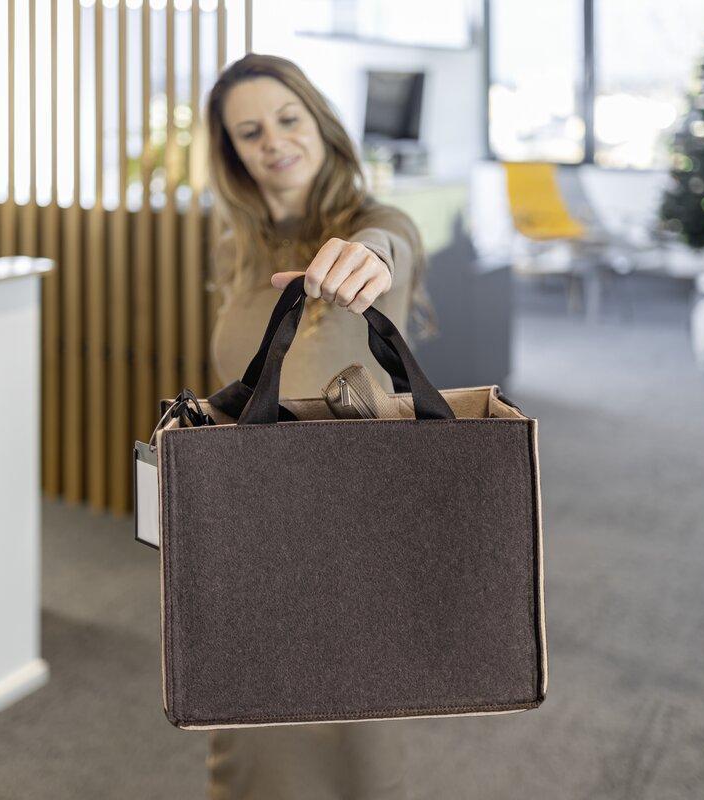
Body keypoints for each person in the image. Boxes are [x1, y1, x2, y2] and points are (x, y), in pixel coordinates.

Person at [202, 53, 439, 800]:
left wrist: (365, 258)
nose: (273, 141)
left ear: (320, 123)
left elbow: (390, 244)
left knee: (352, 752)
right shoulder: (236, 249)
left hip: (350, 529)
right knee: (248, 744)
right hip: (252, 528)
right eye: (250, 132)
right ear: (234, 154)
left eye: (287, 119)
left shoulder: (371, 226)